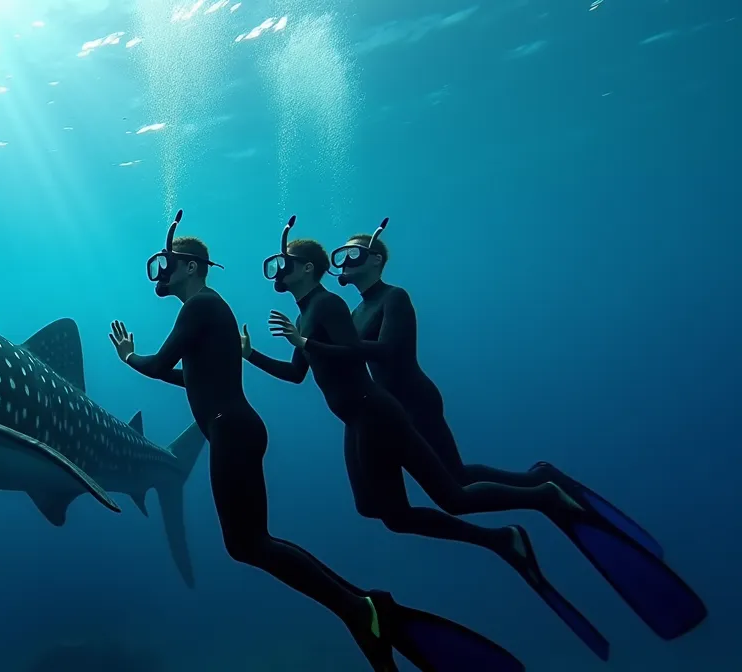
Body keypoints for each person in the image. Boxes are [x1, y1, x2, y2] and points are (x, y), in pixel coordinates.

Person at [248, 215, 706, 651]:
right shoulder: (343, 308)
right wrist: (255, 354)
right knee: (431, 491)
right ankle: (529, 500)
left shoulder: (385, 299)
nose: (344, 263)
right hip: (373, 409)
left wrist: (310, 343)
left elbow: (383, 351)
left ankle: (540, 495)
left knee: (454, 490)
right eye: (340, 256)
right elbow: (306, 369)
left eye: (352, 255)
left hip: (404, 403)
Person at [109, 210, 526, 672]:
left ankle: (363, 608)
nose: (160, 274)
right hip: (241, 427)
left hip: (254, 426)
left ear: (190, 267)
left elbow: (161, 363)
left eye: (165, 264)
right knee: (268, 539)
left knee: (253, 543)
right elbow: (196, 378)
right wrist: (259, 352)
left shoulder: (204, 306)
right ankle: (363, 608)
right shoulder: (216, 309)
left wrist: (130, 357)